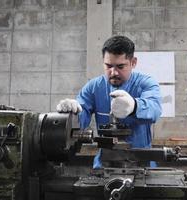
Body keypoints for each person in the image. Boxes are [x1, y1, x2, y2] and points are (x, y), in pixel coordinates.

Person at [57, 35, 162, 168]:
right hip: (105, 163)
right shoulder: (94, 87)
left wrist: (134, 106)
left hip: (141, 163)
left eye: (120, 66)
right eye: (108, 66)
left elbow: (155, 109)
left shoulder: (146, 83)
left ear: (133, 62)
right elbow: (81, 116)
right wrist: (71, 112)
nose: (114, 72)